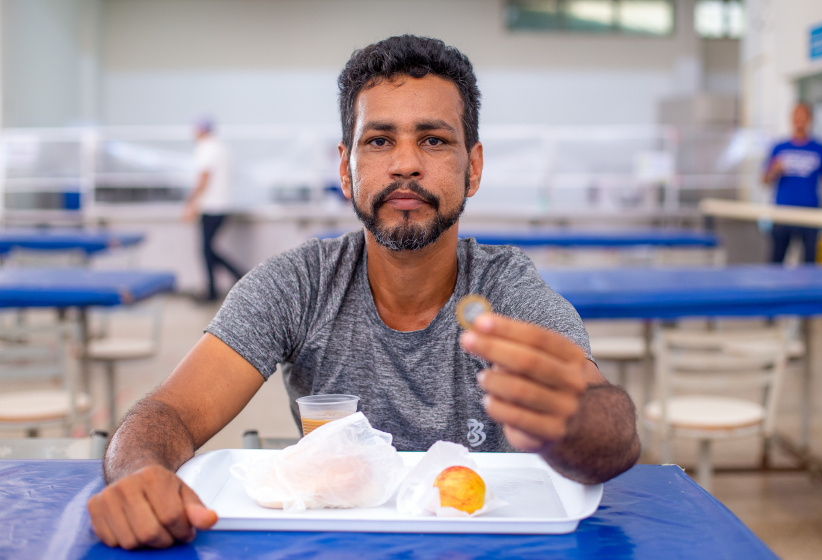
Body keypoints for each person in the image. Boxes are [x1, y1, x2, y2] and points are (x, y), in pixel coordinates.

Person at [88, 35, 640, 550]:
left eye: (433, 140)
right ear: (346, 170)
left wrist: (581, 425)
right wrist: (141, 475)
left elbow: (610, 435)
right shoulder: (298, 283)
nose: (405, 164)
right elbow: (169, 413)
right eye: (378, 141)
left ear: (472, 168)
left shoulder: (507, 290)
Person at [763, 102, 822, 263]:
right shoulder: (779, 147)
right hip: (782, 214)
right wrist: (774, 171)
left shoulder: (820, 148)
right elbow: (764, 180)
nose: (799, 119)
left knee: (810, 263)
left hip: (809, 214)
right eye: (796, 115)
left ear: (809, 119)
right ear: (791, 118)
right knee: (775, 262)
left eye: (802, 115)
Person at [183, 117, 244, 302]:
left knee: (206, 250)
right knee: (208, 249)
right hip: (224, 205)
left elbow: (204, 178)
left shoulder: (206, 148)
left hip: (211, 207)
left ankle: (235, 280)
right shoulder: (223, 148)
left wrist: (191, 203)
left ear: (201, 130)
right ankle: (223, 284)